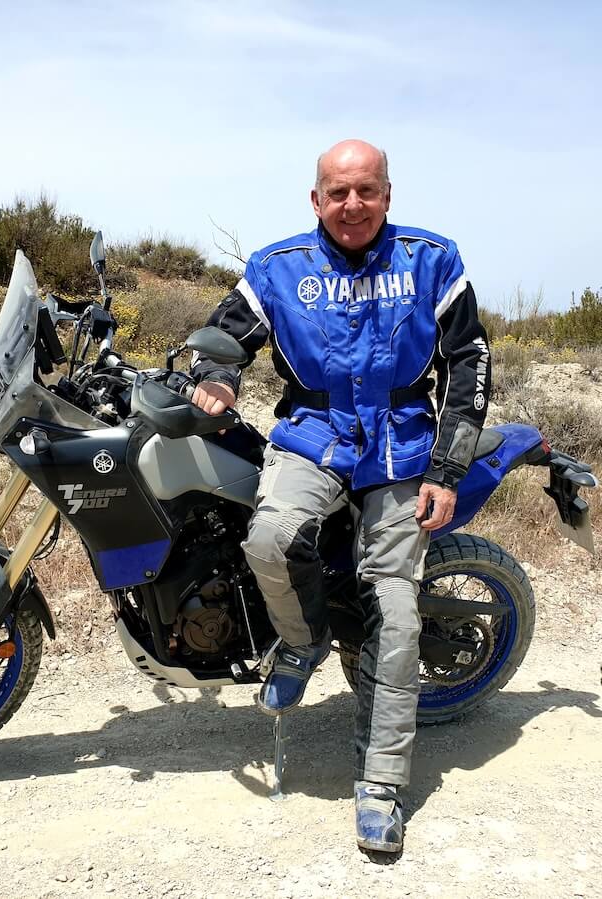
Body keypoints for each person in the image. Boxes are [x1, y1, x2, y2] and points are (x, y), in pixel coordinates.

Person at [190, 139, 492, 853]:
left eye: (366, 191)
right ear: (316, 198)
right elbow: (226, 339)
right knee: (268, 537)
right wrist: (219, 379)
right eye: (337, 192)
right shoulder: (277, 266)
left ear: (387, 194)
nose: (351, 204)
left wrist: (446, 472)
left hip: (404, 442)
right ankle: (303, 642)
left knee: (392, 604)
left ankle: (381, 783)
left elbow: (469, 362)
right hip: (313, 430)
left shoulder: (432, 258)